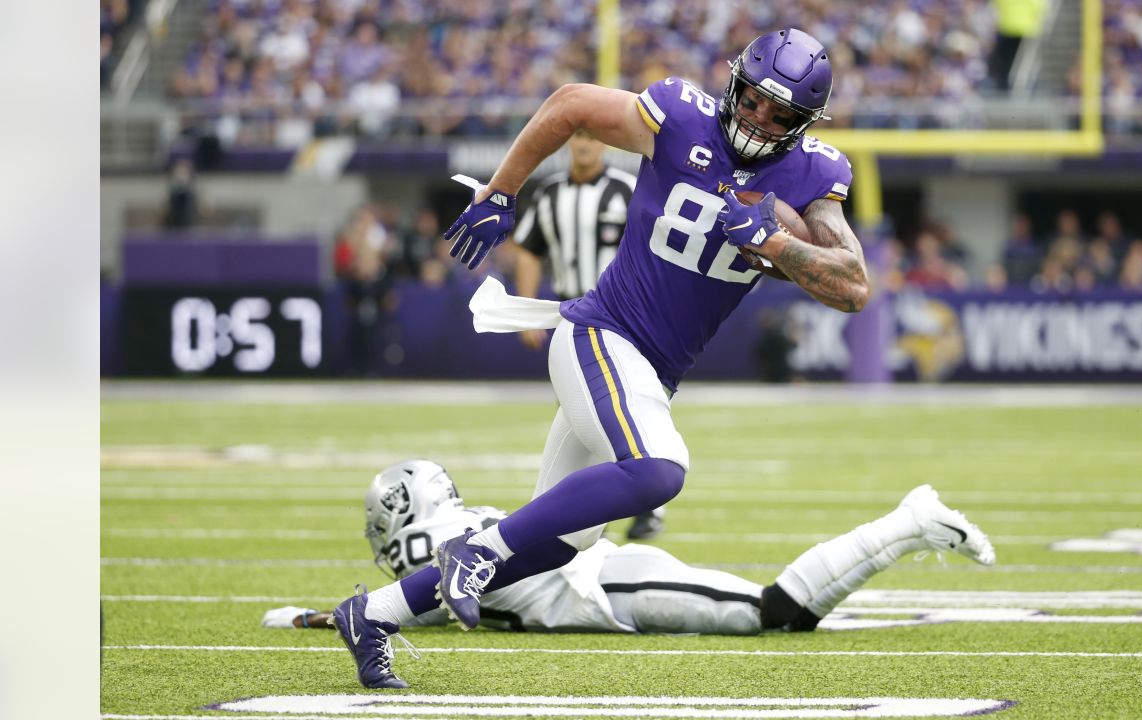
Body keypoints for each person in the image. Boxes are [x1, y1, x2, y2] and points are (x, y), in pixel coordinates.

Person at [333, 28, 873, 688]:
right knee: (658, 469)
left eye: (781, 112)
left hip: (650, 371)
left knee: (561, 543)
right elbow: (567, 104)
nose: (760, 118)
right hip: (600, 335)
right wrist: (500, 192)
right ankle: (475, 547)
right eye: (754, 100)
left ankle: (373, 614)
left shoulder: (815, 173)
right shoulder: (679, 115)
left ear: (805, 121)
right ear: (734, 85)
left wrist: (781, 248)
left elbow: (853, 286)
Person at [282, 460, 993, 655]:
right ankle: (909, 521)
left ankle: (909, 522)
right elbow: (430, 604)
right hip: (602, 585)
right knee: (769, 615)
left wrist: (335, 616)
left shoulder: (433, 545)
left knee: (773, 615)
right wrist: (321, 617)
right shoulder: (464, 527)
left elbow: (427, 597)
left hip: (607, 587)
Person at [512, 130, 665, 541]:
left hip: (625, 318)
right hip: (572, 318)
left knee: (627, 407)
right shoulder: (548, 194)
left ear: (606, 142)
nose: (584, 143)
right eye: (577, 135)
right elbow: (528, 247)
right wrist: (528, 310)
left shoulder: (627, 189)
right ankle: (574, 511)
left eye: (591, 136)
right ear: (568, 143)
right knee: (580, 414)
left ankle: (640, 505)